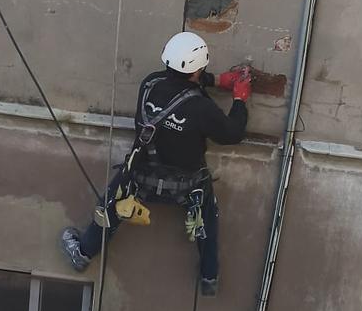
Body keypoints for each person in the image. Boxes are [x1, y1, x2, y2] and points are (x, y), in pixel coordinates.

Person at [61, 31, 251, 296]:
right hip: (186, 185)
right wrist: (240, 98)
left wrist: (215, 81)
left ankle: (83, 252)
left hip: (141, 176)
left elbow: (182, 83)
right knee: (207, 215)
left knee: (112, 203)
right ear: (199, 69)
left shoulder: (149, 84)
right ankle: (210, 277)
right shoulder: (201, 109)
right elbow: (232, 133)